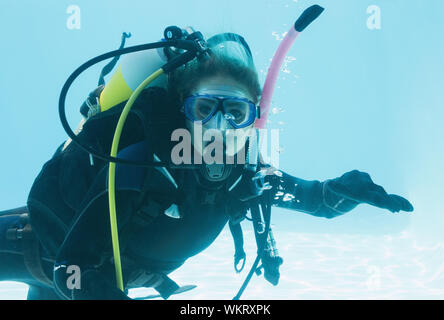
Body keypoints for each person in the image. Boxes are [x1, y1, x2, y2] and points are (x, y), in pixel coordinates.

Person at [0, 29, 413, 300]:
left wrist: (343, 192)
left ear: (254, 120)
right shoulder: (143, 159)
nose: (219, 128)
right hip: (32, 248)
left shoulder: (245, 177)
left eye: (235, 113)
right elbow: (73, 265)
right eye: (205, 109)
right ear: (184, 112)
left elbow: (315, 200)